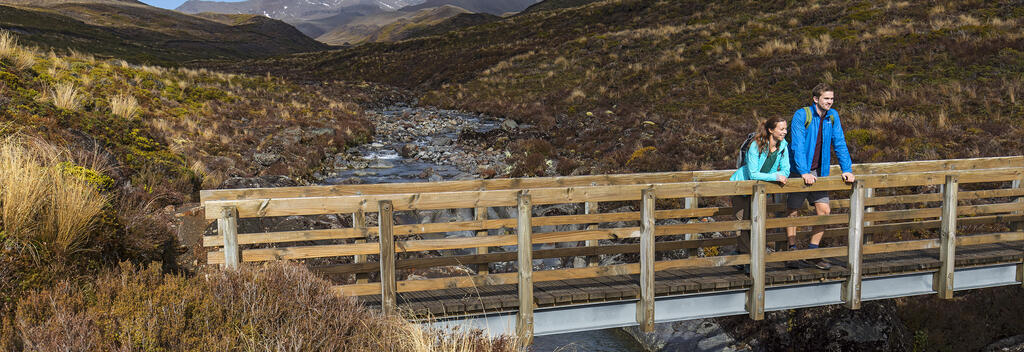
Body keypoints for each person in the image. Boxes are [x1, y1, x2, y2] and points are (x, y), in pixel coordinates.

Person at [785, 83, 855, 270]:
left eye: (832, 99)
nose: (830, 102)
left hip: (819, 172)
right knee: (793, 210)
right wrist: (803, 172)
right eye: (826, 99)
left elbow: (839, 142)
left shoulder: (833, 116)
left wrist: (846, 169)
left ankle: (812, 253)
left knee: (824, 211)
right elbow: (797, 145)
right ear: (816, 99)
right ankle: (791, 250)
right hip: (798, 171)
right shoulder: (802, 115)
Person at [729, 116, 790, 272]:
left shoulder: (783, 146)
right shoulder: (756, 146)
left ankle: (745, 257)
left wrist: (781, 174)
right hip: (741, 186)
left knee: (756, 222)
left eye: (785, 129)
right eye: (781, 129)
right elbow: (754, 173)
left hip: (759, 190)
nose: (785, 132)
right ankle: (749, 259)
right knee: (742, 223)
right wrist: (776, 177)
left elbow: (786, 169)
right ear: (771, 130)